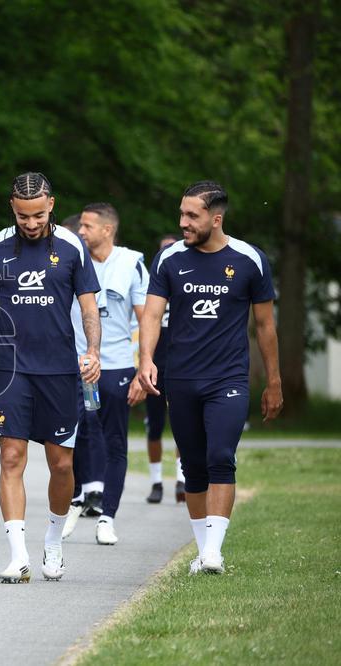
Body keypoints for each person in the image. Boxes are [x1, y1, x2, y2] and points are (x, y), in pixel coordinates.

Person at [137, 181, 282, 575]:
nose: (183, 222)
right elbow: (151, 315)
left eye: (192, 216)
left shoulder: (250, 259)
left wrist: (274, 382)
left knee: (221, 456)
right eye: (182, 214)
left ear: (215, 219)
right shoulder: (169, 260)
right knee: (194, 468)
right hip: (180, 378)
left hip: (228, 378)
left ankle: (214, 553)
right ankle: (203, 552)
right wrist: (146, 359)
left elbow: (265, 326)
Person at [0, 172, 100, 583]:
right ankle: (17, 555)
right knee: (10, 457)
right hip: (10, 369)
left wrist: (93, 352)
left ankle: (55, 541)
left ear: (52, 205)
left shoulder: (72, 246)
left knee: (61, 464)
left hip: (60, 370)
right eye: (24, 216)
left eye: (39, 215)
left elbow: (89, 309)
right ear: (12, 207)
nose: (31, 223)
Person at [61, 203, 147, 546]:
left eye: (86, 226)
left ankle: (107, 517)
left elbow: (147, 319)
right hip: (74, 366)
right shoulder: (69, 258)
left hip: (117, 366)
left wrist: (144, 369)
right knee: (74, 432)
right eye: (80, 226)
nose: (80, 232)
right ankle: (78, 498)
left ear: (107, 230)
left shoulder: (131, 264)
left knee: (115, 441)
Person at [145, 233, 185, 504]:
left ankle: (182, 480)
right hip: (155, 367)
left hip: (181, 366)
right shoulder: (152, 293)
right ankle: (156, 481)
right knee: (155, 427)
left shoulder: (187, 289)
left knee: (183, 427)